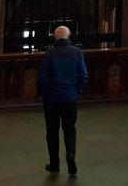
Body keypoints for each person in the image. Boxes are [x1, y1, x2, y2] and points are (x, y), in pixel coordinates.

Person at [39, 25, 88, 176]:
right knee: (70, 129)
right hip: (70, 97)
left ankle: (55, 163)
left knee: (52, 132)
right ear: (69, 36)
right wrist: (77, 90)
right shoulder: (77, 52)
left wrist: (45, 95)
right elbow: (83, 75)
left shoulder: (50, 54)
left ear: (55, 37)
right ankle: (71, 155)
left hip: (52, 99)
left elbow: (43, 77)